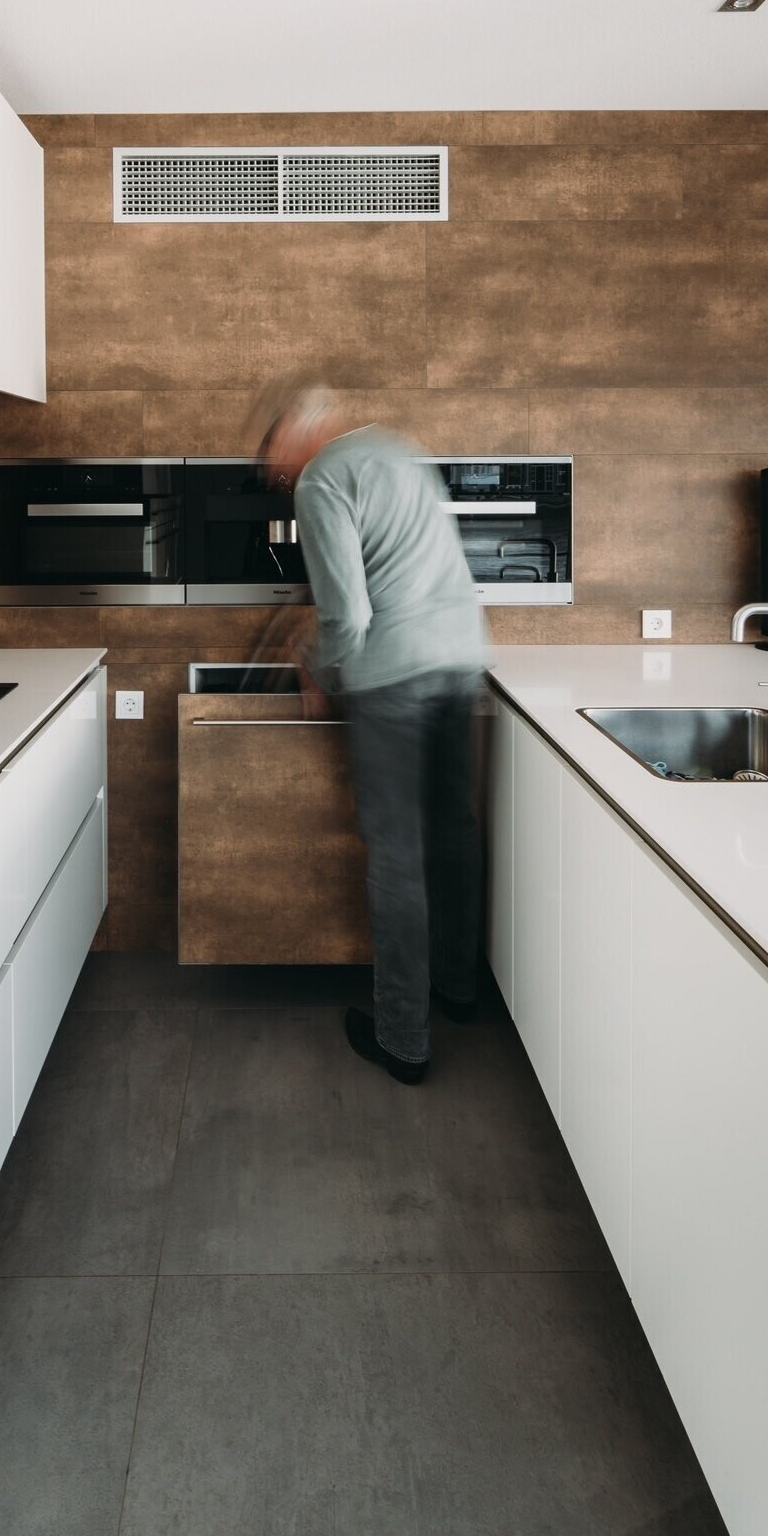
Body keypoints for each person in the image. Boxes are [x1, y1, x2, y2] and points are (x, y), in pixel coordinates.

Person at [252, 380, 485, 1085]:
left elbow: (348, 615)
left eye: (274, 458)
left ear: (296, 431)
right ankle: (459, 988)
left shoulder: (322, 479)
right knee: (453, 829)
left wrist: (317, 667)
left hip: (394, 675)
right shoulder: (399, 449)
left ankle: (402, 1038)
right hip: (462, 656)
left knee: (395, 853)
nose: (277, 473)